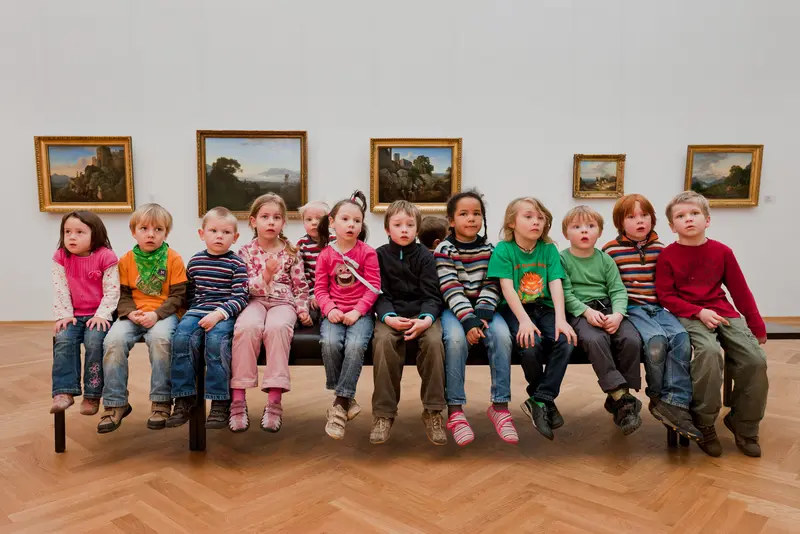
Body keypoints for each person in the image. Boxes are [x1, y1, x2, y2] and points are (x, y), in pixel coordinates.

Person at [656, 191, 768, 457]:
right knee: (708, 354)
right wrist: (698, 312)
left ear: (707, 220)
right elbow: (667, 297)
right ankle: (704, 423)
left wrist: (757, 325)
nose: (688, 219)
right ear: (672, 226)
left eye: (694, 214)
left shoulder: (722, 252)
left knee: (755, 359)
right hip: (688, 314)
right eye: (681, 216)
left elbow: (741, 292)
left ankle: (744, 424)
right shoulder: (667, 256)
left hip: (723, 312)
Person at [602, 194, 701, 441]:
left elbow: (670, 285)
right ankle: (657, 396)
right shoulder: (610, 251)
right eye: (632, 217)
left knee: (680, 338)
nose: (640, 221)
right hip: (631, 309)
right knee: (656, 342)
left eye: (644, 215)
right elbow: (608, 287)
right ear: (620, 222)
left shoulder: (661, 249)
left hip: (658, 307)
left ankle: (675, 400)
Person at [488, 197, 576, 440]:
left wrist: (561, 319)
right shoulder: (503, 250)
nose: (536, 222)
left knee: (566, 339)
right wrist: (524, 321)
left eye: (540, 217)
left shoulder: (548, 249)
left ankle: (540, 399)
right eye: (528, 217)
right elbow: (506, 288)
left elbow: (555, 284)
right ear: (512, 223)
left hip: (545, 307)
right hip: (515, 310)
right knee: (529, 344)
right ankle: (544, 401)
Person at [435, 189, 516, 446]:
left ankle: (500, 406)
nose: (471, 219)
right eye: (464, 214)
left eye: (477, 214)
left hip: (486, 309)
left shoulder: (491, 248)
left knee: (503, 336)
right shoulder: (444, 249)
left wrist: (482, 314)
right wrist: (469, 320)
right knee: (456, 341)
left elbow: (493, 284)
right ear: (451, 220)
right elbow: (450, 287)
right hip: (454, 308)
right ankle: (456, 411)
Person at [99, 203, 187, 434]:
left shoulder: (173, 259)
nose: (150, 234)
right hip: (134, 313)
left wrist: (156, 314)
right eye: (144, 228)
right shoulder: (126, 260)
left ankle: (161, 401)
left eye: (158, 229)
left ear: (165, 233)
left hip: (164, 314)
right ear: (133, 231)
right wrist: (130, 313)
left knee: (161, 340)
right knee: (113, 341)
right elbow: (122, 294)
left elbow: (179, 295)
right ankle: (115, 403)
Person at [229, 194, 312, 433]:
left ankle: (274, 400)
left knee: (277, 329)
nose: (271, 222)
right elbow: (244, 287)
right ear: (253, 222)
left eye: (276, 217)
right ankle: (238, 399)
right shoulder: (244, 252)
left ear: (284, 223)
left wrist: (302, 310)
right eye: (265, 217)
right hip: (253, 301)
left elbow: (301, 287)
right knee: (247, 328)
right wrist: (265, 275)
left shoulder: (291, 252)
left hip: (282, 303)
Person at [560, 206, 643, 435]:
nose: (584, 231)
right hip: (580, 312)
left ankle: (621, 398)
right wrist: (586, 313)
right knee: (594, 339)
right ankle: (620, 397)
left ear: (599, 232)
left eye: (590, 226)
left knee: (631, 339)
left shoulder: (606, 260)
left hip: (607, 307)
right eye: (576, 227)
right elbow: (565, 294)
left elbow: (618, 290)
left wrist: (617, 314)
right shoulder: (562, 259)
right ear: (566, 234)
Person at [370, 200, 446, 445]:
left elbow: (433, 294)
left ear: (417, 229)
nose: (404, 230)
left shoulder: (426, 257)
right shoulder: (378, 255)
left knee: (435, 342)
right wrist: (388, 317)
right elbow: (378, 293)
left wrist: (426, 320)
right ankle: (384, 414)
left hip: (422, 315)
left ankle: (433, 411)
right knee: (382, 342)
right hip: (391, 315)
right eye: (398, 224)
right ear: (387, 228)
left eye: (410, 225)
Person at [166, 207, 249, 430]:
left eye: (226, 232)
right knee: (182, 338)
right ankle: (184, 397)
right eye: (213, 230)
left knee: (215, 343)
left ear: (235, 237)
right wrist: (190, 315)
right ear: (202, 234)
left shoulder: (237, 264)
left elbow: (241, 297)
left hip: (224, 313)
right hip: (198, 311)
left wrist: (218, 314)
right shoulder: (195, 262)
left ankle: (220, 400)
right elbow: (191, 294)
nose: (219, 236)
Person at [316, 190, 381, 440]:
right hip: (333, 312)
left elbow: (373, 287)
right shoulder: (326, 254)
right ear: (332, 221)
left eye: (356, 220)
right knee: (330, 343)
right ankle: (346, 396)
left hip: (360, 314)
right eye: (345, 219)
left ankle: (340, 404)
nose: (351, 224)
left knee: (355, 345)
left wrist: (357, 311)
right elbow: (320, 288)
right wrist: (329, 309)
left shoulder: (368, 253)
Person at [50, 211, 119, 416]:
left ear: (94, 234)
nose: (72, 237)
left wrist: (102, 315)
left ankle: (93, 393)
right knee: (63, 339)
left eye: (80, 232)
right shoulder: (61, 256)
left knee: (94, 342)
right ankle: (64, 392)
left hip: (100, 314)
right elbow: (60, 288)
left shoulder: (106, 256)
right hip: (73, 314)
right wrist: (64, 314)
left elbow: (113, 289)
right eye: (67, 232)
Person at [296, 200, 330, 321]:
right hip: (313, 293)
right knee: (311, 314)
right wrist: (312, 294)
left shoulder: (335, 241)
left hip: (334, 292)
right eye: (309, 219)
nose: (314, 223)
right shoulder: (301, 245)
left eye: (319, 219)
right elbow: (303, 274)